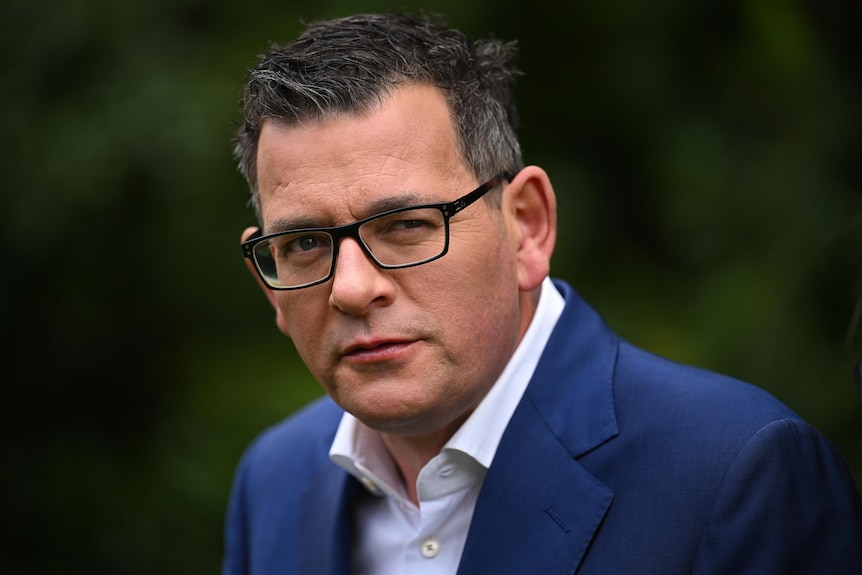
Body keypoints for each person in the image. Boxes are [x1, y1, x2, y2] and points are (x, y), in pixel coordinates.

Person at [223, 12, 862, 574]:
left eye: (408, 226)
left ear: (527, 225)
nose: (353, 289)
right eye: (305, 243)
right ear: (270, 284)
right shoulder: (273, 481)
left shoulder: (735, 474)